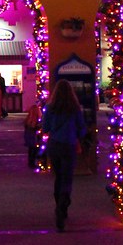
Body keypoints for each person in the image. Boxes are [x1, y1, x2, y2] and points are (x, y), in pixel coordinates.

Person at [42, 79, 87, 231]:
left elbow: (45, 127)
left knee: (58, 176)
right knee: (67, 178)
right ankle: (63, 206)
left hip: (54, 145)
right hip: (69, 145)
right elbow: (82, 128)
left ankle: (58, 205)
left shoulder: (50, 107)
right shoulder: (75, 108)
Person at [24, 98, 42, 169]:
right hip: (33, 139)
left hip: (29, 139)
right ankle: (32, 163)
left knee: (30, 150)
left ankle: (30, 162)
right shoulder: (36, 124)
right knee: (34, 150)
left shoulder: (28, 122)